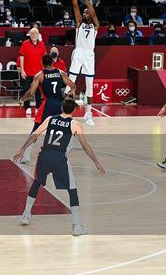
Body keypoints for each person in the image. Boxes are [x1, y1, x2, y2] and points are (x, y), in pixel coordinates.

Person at [13, 98, 105, 235]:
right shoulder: (75, 124)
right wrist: (96, 161)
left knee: (36, 183)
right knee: (72, 190)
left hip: (44, 155)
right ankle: (76, 226)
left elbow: (35, 134)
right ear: (73, 109)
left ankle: (26, 215)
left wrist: (22, 149)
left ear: (61, 107)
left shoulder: (50, 119)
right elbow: (85, 146)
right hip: (60, 158)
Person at [19, 54, 76, 163]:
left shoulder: (40, 75)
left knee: (36, 130)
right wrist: (71, 92)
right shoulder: (61, 73)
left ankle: (25, 155)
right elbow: (73, 85)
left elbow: (31, 93)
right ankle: (64, 153)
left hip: (48, 104)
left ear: (42, 63)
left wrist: (22, 99)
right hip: (60, 104)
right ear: (52, 62)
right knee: (65, 128)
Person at [64, 0, 99, 126]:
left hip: (89, 54)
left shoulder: (96, 25)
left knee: (89, 85)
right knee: (70, 80)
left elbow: (93, 12)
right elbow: (74, 6)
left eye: (87, 12)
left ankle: (88, 113)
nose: (85, 13)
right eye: (84, 12)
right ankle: (65, 112)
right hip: (79, 52)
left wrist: (86, 0)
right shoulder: (79, 23)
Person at [18, 28, 46, 115]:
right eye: (32, 33)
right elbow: (21, 57)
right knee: (27, 90)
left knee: (38, 91)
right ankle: (27, 107)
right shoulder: (25, 44)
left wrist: (44, 70)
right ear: (29, 35)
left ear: (38, 35)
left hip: (38, 73)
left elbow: (44, 58)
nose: (34, 35)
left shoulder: (42, 44)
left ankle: (38, 107)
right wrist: (22, 70)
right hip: (26, 72)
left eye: (35, 33)